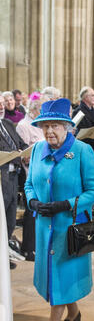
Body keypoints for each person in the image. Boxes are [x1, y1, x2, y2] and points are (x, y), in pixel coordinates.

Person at [24, 98, 94, 321]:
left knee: (59, 275)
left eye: (55, 126)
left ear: (67, 126)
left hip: (70, 229)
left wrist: (63, 205)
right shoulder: (36, 150)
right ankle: (75, 314)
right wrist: (32, 200)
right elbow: (28, 184)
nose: (49, 132)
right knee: (56, 277)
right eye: (45, 126)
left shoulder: (82, 151)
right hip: (44, 228)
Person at [0, 95, 28, 269]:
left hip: (13, 177)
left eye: (2, 104)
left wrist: (24, 151)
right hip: (1, 178)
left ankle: (3, 255)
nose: (1, 107)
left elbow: (22, 143)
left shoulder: (8, 124)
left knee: (10, 221)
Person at [16, 94, 44, 261]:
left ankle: (37, 245)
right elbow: (23, 155)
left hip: (42, 172)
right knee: (31, 213)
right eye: (41, 110)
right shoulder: (23, 125)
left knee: (39, 212)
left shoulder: (39, 125)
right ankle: (29, 248)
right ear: (33, 110)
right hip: (29, 175)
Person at [72, 86, 94, 164]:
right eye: (93, 95)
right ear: (86, 97)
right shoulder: (78, 112)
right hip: (86, 147)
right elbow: (76, 131)